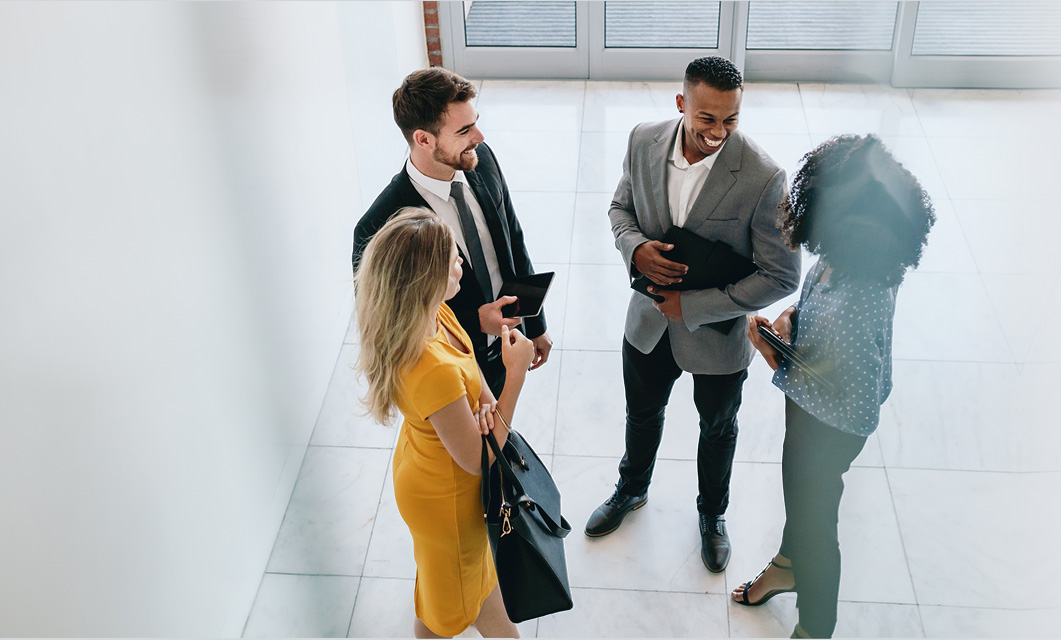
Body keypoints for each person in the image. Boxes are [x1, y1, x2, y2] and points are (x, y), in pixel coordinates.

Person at [585, 56, 801, 574]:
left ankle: (712, 515)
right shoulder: (642, 140)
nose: (718, 132)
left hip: (718, 338)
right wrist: (634, 247)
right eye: (706, 119)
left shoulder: (765, 177)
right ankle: (632, 489)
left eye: (731, 120)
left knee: (718, 429)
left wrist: (695, 306)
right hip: (647, 324)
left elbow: (781, 276)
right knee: (642, 414)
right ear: (681, 104)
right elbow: (620, 210)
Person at [729, 134, 936, 639]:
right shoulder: (846, 256)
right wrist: (792, 323)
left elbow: (858, 400)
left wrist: (775, 356)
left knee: (817, 527)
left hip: (829, 430)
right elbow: (818, 315)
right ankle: (785, 564)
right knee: (802, 505)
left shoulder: (865, 290)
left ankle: (815, 628)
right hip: (809, 415)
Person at [355, 207, 538, 638]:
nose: (461, 263)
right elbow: (479, 458)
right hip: (448, 498)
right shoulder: (429, 367)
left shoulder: (435, 312)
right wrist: (516, 375)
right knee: (449, 608)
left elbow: (473, 383)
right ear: (425, 279)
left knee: (453, 588)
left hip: (431, 469)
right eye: (452, 259)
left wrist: (487, 404)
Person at [352, 68, 552, 398]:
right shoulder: (379, 226)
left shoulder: (480, 159)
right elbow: (387, 328)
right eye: (464, 130)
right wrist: (475, 323)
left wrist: (537, 323)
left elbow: (513, 239)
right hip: (450, 374)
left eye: (475, 121)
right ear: (424, 139)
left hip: (507, 347)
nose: (480, 137)